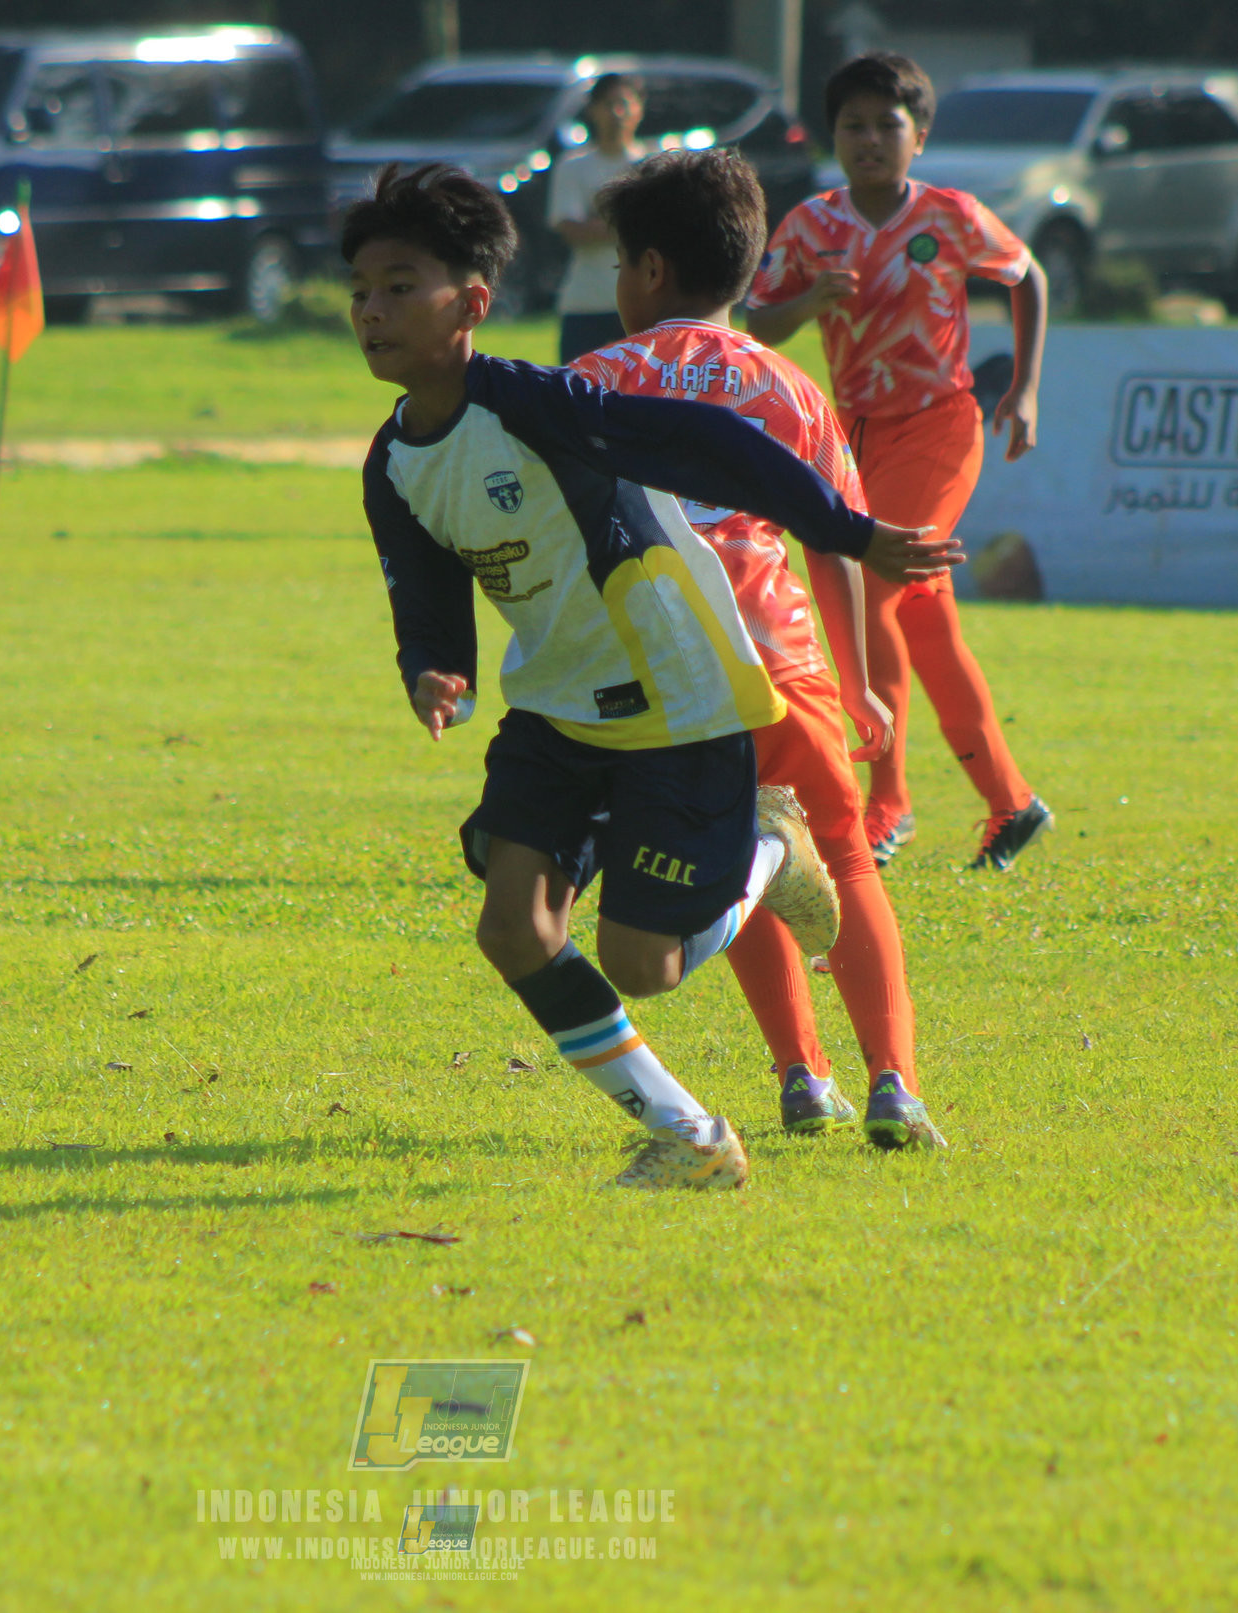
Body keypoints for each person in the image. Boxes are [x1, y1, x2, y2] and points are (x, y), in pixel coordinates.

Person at [343, 163, 960, 1188]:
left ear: (473, 304)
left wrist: (852, 533)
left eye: (401, 284)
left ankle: (770, 849)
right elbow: (424, 581)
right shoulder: (392, 459)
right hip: (555, 709)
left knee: (646, 964)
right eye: (361, 290)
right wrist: (435, 667)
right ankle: (690, 1134)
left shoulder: (545, 402)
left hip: (673, 698)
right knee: (513, 926)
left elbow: (704, 442)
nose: (372, 310)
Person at [571, 147, 941, 1150]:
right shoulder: (787, 386)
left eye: (617, 267)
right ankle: (894, 1084)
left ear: (648, 271)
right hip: (776, 657)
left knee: (736, 850)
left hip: (649, 673)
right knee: (844, 860)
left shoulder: (588, 382)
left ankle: (798, 1076)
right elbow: (841, 542)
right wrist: (860, 681)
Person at [747, 50, 1053, 873]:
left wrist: (1020, 389)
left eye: (889, 123)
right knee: (924, 621)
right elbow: (756, 320)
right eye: (854, 124)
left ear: (920, 134)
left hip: (940, 427)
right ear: (831, 135)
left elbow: (1026, 278)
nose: (871, 139)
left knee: (869, 586)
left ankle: (887, 802)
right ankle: (1011, 803)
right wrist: (810, 302)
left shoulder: (950, 214)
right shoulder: (810, 225)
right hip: (854, 437)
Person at [546, 74, 647, 363]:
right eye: (608, 104)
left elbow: (662, 230)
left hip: (640, 304)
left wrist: (600, 220)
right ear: (593, 110)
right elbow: (571, 229)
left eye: (624, 103)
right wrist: (631, 224)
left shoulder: (651, 167)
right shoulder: (573, 166)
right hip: (585, 304)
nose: (617, 113)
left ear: (639, 108)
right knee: (577, 394)